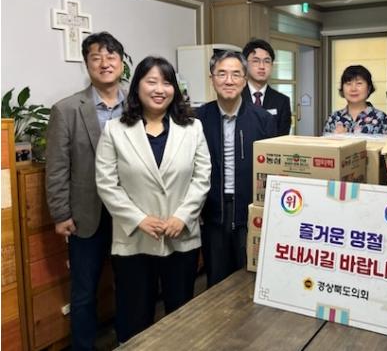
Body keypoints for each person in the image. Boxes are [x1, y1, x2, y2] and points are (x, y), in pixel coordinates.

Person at [95, 56, 211, 342]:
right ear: (137, 87)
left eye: (167, 82)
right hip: (135, 238)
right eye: (152, 82)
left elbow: (202, 177)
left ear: (175, 89)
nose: (160, 89)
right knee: (134, 317)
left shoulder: (192, 128)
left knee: (181, 316)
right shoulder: (115, 130)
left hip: (180, 235)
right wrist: (139, 219)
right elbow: (107, 184)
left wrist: (182, 216)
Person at [45, 31, 127, 351]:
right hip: (85, 215)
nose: (104, 63)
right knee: (83, 292)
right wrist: (60, 214)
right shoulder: (66, 109)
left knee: (130, 285)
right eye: (96, 57)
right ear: (87, 64)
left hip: (129, 212)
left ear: (121, 62)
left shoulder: (138, 104)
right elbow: (56, 167)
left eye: (111, 56)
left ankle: (130, 341)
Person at [196, 51, 277, 287]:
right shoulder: (198, 119)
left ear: (244, 80)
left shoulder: (263, 119)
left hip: (250, 210)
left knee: (250, 278)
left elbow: (272, 169)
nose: (229, 81)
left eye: (235, 74)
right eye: (221, 74)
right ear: (212, 79)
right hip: (213, 212)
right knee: (216, 280)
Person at [323, 65, 387, 135]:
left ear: (368, 88)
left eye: (359, 83)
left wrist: (345, 138)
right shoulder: (334, 118)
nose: (353, 89)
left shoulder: (381, 118)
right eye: (348, 84)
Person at [242, 38, 292, 136]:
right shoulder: (236, 97)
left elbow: (282, 137)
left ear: (272, 65)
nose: (262, 66)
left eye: (267, 61)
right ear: (245, 65)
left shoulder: (282, 101)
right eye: (256, 61)